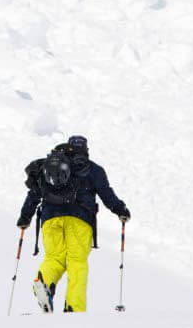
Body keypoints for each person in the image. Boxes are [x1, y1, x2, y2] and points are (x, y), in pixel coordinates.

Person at [17, 134, 129, 313]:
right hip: (79, 221)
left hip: (50, 219)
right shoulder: (92, 169)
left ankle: (44, 283)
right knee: (77, 262)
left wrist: (25, 218)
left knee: (54, 258)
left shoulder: (48, 167)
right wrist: (121, 210)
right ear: (86, 150)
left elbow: (33, 194)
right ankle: (73, 308)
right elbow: (106, 194)